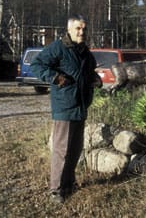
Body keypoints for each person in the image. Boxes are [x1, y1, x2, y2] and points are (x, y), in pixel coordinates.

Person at [30, 15, 102, 204]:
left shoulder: (85, 51)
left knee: (75, 149)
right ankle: (56, 190)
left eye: (84, 29)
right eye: (78, 28)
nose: (82, 32)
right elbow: (37, 65)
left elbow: (90, 70)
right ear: (69, 30)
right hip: (64, 105)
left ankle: (69, 183)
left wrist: (96, 79)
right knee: (61, 150)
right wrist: (55, 77)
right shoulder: (58, 47)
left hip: (81, 105)